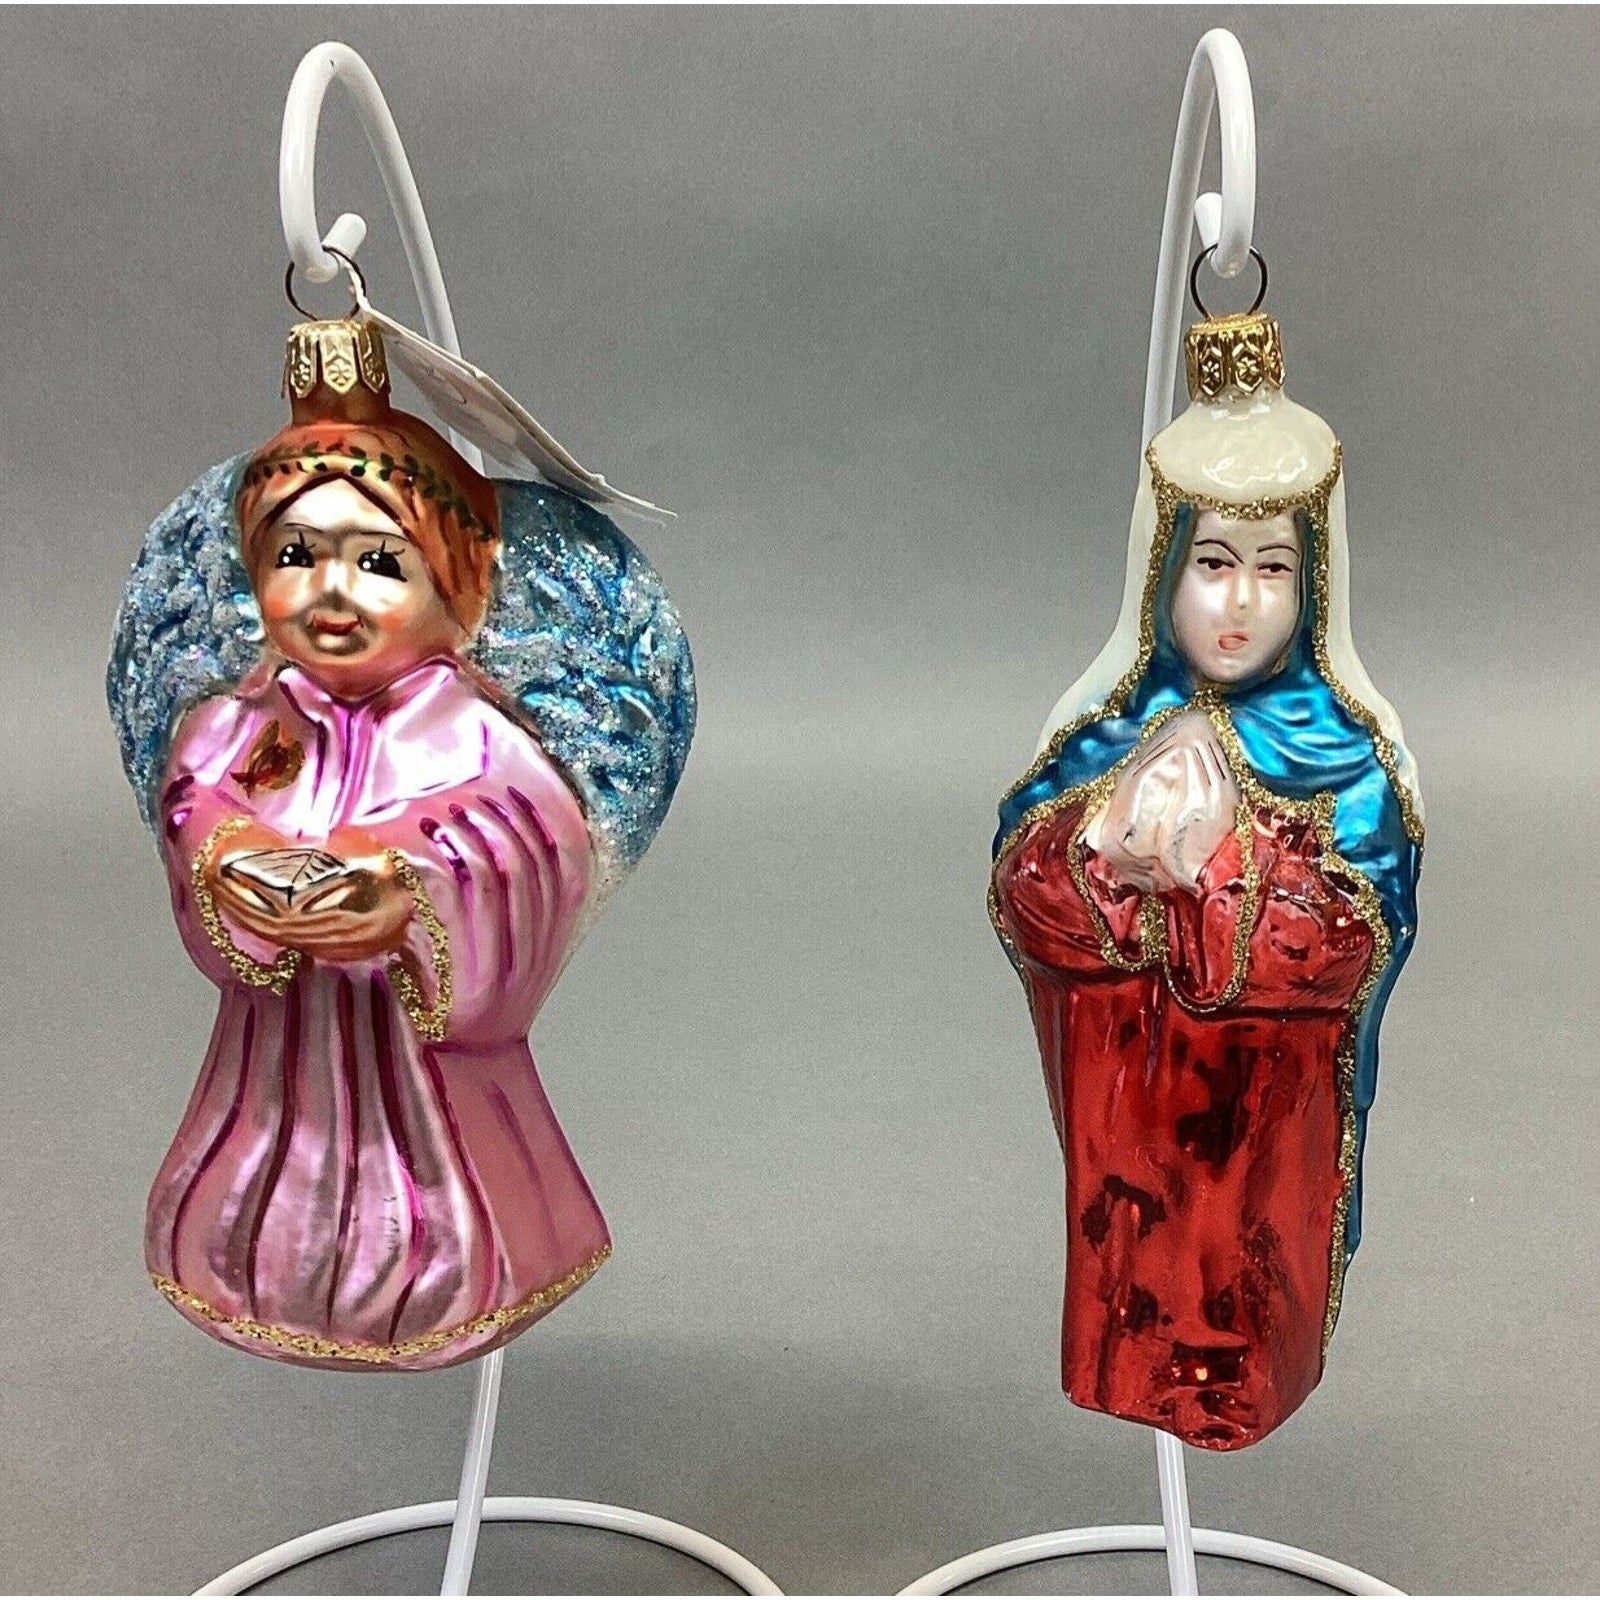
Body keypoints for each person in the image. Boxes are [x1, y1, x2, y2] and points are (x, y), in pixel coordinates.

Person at [139, 319, 613, 1371]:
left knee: (447, 1206)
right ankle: (266, 1256)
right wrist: (228, 863)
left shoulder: (475, 735)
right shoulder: (237, 725)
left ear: (456, 585)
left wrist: (404, 888)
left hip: (421, 1065)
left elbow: (530, 841)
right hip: (279, 1058)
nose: (331, 591)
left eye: (379, 561)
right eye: (294, 556)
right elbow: (192, 804)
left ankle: (442, 1263)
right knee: (257, 1181)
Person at [990, 308, 1422, 1448]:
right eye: (1213, 564)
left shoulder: (1346, 756)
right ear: (1162, 566)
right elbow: (1022, 885)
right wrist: (1101, 855)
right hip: (1127, 1130)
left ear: (1313, 580)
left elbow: (1354, 940)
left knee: (1234, 1312)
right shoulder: (1104, 731)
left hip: (1258, 1135)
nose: (1239, 604)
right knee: (1134, 1283)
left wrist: (1217, 873)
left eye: (1272, 569)